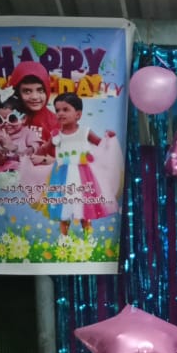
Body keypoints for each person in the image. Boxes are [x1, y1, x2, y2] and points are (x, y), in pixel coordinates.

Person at [44, 93, 118, 242]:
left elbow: (100, 144)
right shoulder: (56, 135)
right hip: (62, 176)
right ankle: (64, 239)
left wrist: (109, 140)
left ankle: (88, 238)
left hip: (84, 176)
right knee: (63, 209)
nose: (60, 113)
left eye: (65, 109)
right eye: (57, 110)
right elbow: (44, 149)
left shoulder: (85, 132)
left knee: (85, 207)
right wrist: (35, 152)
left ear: (78, 114)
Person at [7, 61, 57, 160]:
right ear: (16, 92)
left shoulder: (55, 122)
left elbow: (65, 159)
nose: (34, 97)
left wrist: (46, 160)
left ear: (47, 90)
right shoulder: (6, 118)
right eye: (27, 91)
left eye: (40, 90)